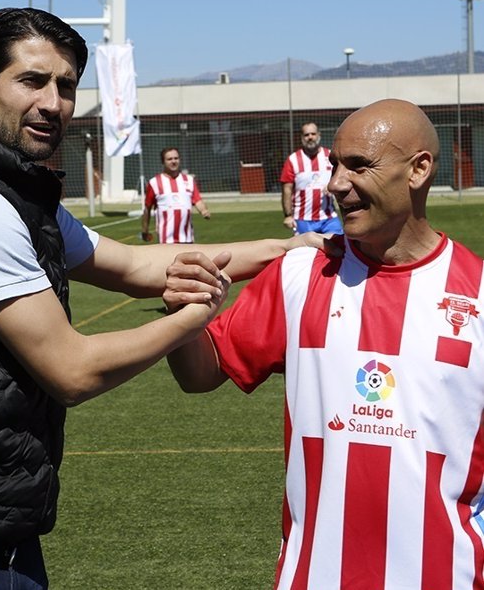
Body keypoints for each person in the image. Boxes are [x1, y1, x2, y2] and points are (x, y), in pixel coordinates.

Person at [0, 7, 325, 590]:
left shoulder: (17, 197)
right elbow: (72, 370)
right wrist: (195, 316)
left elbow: (138, 264)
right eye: (31, 80)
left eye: (65, 86)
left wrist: (292, 248)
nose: (52, 103)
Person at [167, 99, 484, 589]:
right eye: (335, 164)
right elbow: (200, 373)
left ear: (419, 169)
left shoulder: (479, 295)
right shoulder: (301, 275)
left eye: (359, 165)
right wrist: (184, 316)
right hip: (314, 577)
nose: (335, 183)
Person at [280, 122, 343, 235]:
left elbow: (342, 178)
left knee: (339, 249)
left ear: (319, 135)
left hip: (329, 218)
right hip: (303, 220)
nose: (310, 137)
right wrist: (288, 215)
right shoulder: (293, 160)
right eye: (306, 134)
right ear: (301, 137)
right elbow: (287, 189)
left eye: (313, 134)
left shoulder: (330, 156)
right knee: (306, 252)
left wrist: (331, 186)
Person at [141, 147, 210, 243]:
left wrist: (203, 210)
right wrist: (145, 229)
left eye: (176, 158)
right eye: (169, 159)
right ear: (163, 162)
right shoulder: (154, 182)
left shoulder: (189, 180)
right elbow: (147, 208)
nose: (173, 161)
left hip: (187, 239)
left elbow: (197, 200)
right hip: (166, 240)